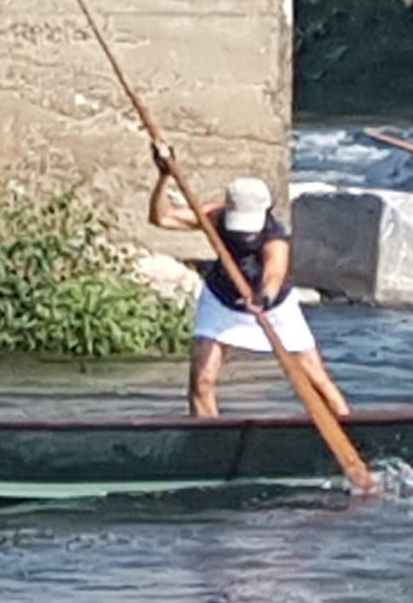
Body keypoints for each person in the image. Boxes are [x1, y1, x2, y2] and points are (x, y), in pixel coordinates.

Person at [148, 144, 351, 419]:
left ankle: (351, 432)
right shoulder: (215, 216)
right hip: (221, 300)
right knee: (202, 381)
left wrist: (262, 299)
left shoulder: (275, 237)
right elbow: (161, 218)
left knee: (315, 380)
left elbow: (273, 275)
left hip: (274, 306)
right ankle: (208, 440)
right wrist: (163, 177)